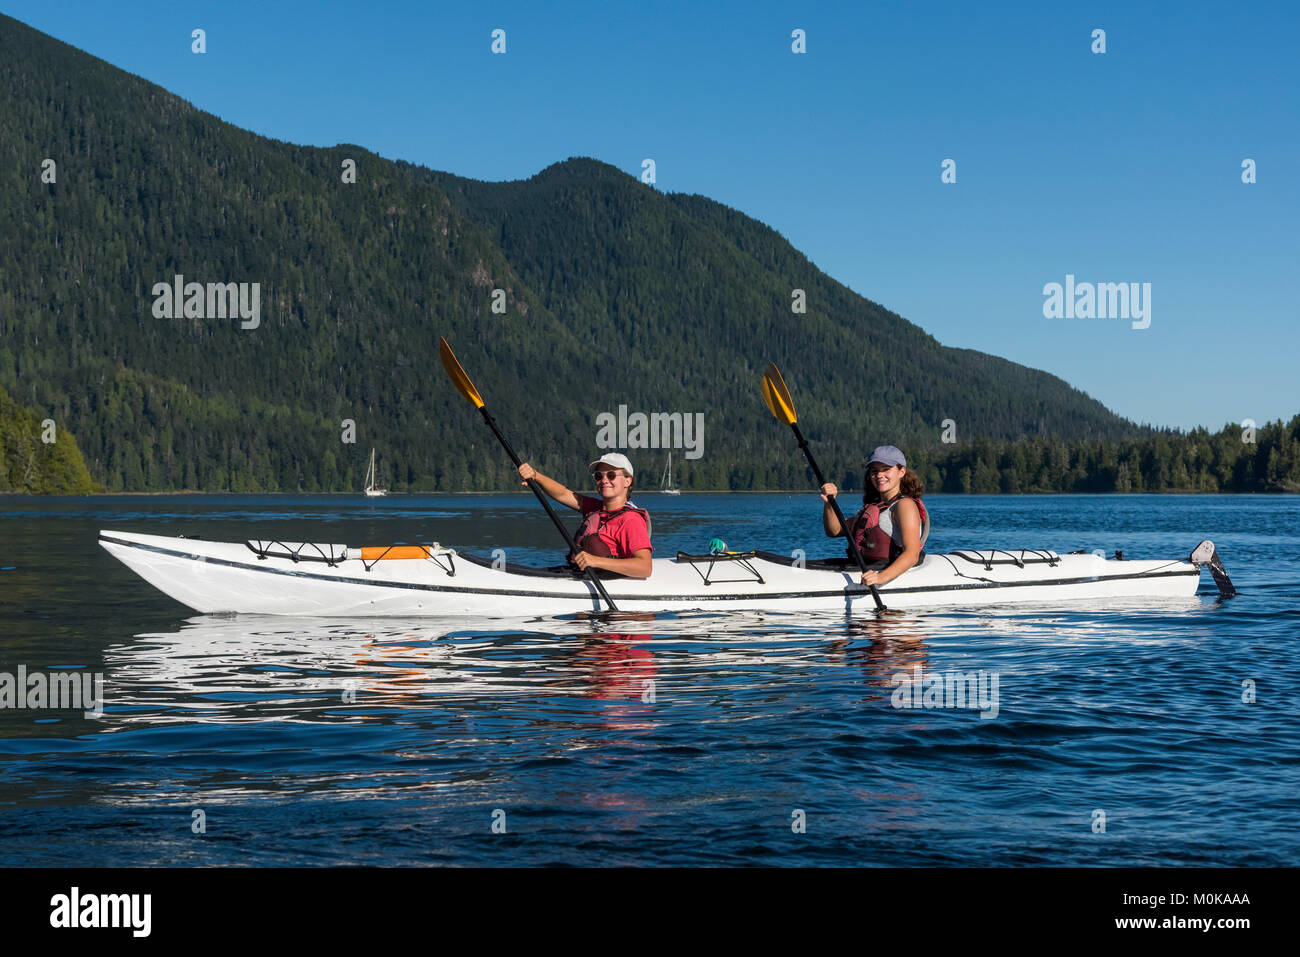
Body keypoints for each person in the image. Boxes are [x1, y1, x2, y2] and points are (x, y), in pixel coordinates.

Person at [517, 452, 653, 579]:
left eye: (611, 475)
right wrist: (535, 475)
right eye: (599, 476)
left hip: (606, 583)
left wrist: (595, 561)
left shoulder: (630, 520)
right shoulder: (597, 509)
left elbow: (645, 567)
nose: (604, 480)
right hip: (580, 575)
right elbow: (564, 494)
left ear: (628, 481)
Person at [819, 445, 929, 588]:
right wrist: (829, 503)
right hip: (865, 568)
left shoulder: (904, 505)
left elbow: (912, 554)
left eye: (886, 469)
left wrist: (880, 578)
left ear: (901, 471)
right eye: (874, 471)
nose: (879, 475)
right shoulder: (876, 506)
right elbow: (833, 531)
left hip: (882, 573)